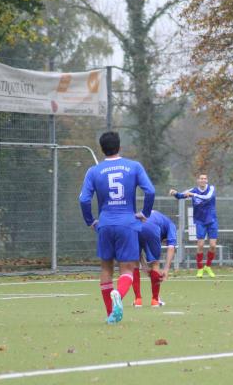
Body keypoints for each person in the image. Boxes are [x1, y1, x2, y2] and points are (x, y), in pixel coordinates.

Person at [79, 131, 155, 324]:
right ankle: (118, 296)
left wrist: (91, 221)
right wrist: (145, 213)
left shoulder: (93, 171)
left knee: (106, 267)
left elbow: (84, 199)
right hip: (127, 223)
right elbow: (150, 191)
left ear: (101, 148)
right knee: (128, 269)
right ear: (119, 147)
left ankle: (110, 314)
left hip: (104, 224)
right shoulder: (134, 166)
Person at [169, 174, 218, 278]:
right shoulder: (193, 190)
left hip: (212, 220)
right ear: (198, 181)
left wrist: (192, 195)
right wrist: (175, 193)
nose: (203, 180)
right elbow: (181, 196)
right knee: (200, 245)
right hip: (200, 221)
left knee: (213, 245)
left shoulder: (211, 189)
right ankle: (200, 268)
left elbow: (207, 198)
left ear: (207, 180)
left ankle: (208, 267)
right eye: (201, 179)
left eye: (205, 178)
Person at [132, 210, 176, 307]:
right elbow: (171, 248)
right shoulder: (171, 225)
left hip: (135, 224)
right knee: (155, 263)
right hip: (151, 227)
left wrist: (143, 265)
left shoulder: (160, 218)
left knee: (134, 263)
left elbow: (138, 252)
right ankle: (155, 300)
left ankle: (138, 300)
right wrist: (166, 269)